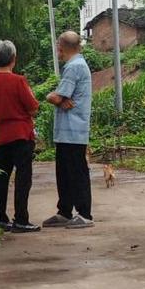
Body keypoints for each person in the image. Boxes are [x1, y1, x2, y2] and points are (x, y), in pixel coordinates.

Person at [0, 39, 40, 232]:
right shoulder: (19, 81)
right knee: (23, 178)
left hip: (0, 137)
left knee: (1, 177)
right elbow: (33, 108)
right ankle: (21, 219)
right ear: (14, 59)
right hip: (21, 135)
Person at [43, 31, 94, 229]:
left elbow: (57, 96)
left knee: (76, 171)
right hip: (69, 131)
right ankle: (65, 210)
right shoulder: (79, 65)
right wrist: (59, 98)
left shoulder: (73, 67)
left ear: (61, 47)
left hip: (73, 130)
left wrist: (52, 96)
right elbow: (61, 98)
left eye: (58, 48)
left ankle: (84, 213)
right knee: (64, 172)